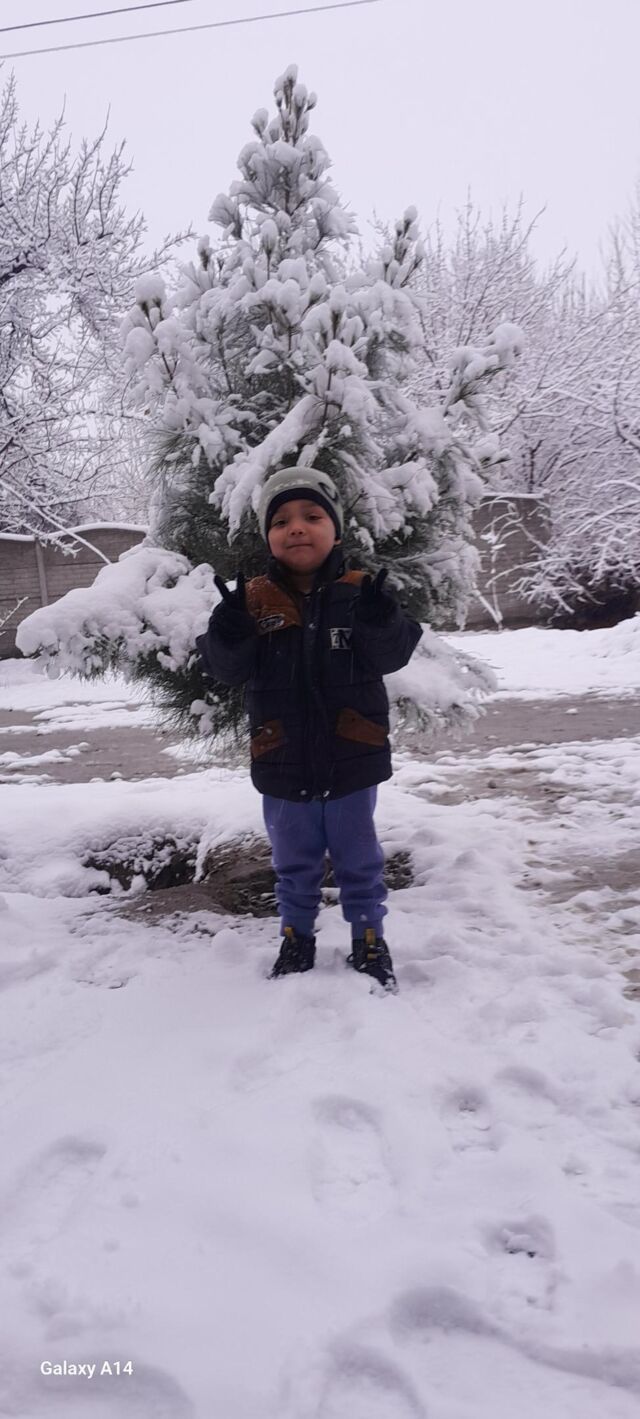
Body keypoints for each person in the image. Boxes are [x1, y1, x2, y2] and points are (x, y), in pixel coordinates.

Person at [195, 465, 423, 990]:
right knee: (292, 861)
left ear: (335, 532)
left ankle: (369, 937)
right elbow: (226, 670)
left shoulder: (361, 592)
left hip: (352, 753)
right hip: (281, 756)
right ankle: (296, 935)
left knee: (359, 858)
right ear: (268, 538)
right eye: (281, 521)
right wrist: (229, 633)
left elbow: (393, 655)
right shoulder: (251, 601)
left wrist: (382, 621)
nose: (296, 527)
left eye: (312, 516)